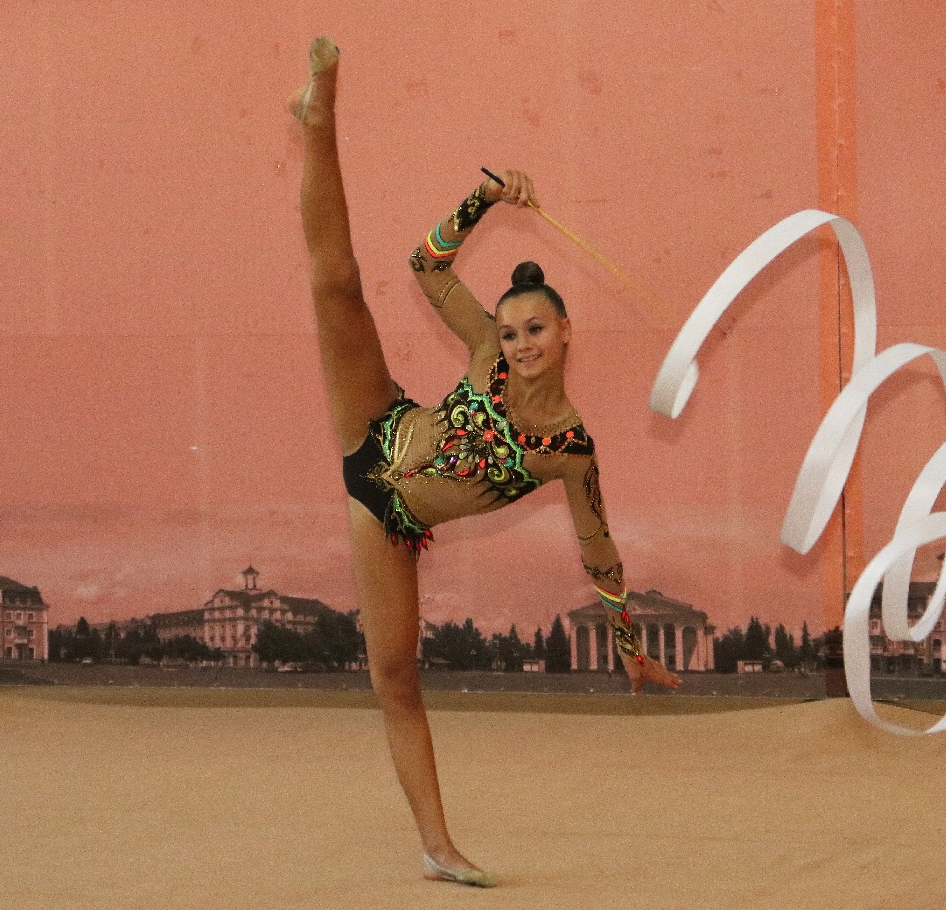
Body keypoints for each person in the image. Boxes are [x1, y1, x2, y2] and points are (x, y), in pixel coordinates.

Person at [289, 36, 681, 888]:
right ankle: (319, 118)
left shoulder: (570, 451)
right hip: (379, 425)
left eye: (534, 329)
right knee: (337, 283)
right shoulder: (485, 353)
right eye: (509, 331)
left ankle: (437, 847)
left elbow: (601, 554)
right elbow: (424, 264)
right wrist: (483, 197)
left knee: (397, 681)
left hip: (387, 522)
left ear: (565, 331)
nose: (519, 343)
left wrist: (629, 645)